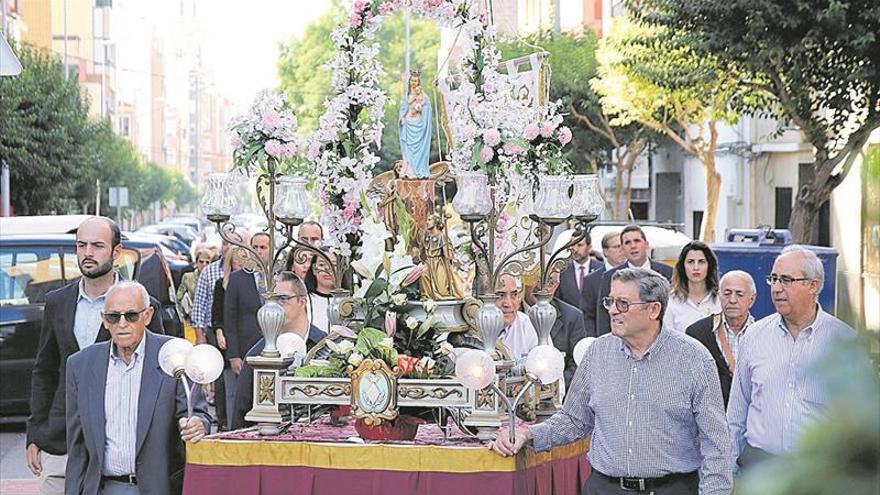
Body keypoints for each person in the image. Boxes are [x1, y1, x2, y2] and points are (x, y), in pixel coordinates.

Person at [490, 268, 733, 495]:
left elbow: (716, 443)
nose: (612, 310)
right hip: (604, 487)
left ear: (654, 310)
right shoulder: (598, 352)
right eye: (610, 301)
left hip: (671, 488)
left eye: (623, 303)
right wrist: (528, 435)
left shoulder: (694, 359)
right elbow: (575, 420)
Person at [26, 217, 164, 494]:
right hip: (62, 441)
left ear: (116, 252)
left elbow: (159, 373)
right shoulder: (58, 302)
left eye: (97, 246)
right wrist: (35, 432)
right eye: (81, 245)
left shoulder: (141, 307)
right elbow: (45, 369)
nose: (87, 253)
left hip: (116, 447)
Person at [65, 282, 210, 495]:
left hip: (161, 487)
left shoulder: (175, 356)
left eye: (131, 315)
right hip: (103, 487)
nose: (122, 323)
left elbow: (196, 413)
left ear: (148, 315)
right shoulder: (80, 365)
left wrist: (197, 424)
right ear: (104, 320)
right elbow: (77, 447)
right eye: (114, 317)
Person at [727, 246, 856, 472]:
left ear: (813, 286)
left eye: (786, 280)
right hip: (760, 469)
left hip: (818, 472)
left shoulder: (843, 342)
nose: (777, 288)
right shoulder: (755, 336)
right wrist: (729, 472)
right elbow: (737, 413)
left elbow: (856, 423)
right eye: (773, 279)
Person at [232, 272, 328, 429]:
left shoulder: (325, 347)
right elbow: (241, 414)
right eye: (270, 300)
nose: (275, 307)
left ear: (302, 301)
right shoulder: (257, 355)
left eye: (283, 299)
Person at [686, 271, 757, 407]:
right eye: (727, 293)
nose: (732, 300)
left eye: (739, 294)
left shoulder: (763, 334)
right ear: (719, 296)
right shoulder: (697, 333)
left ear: (752, 300)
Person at [595, 225, 673, 336]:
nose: (633, 246)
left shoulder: (667, 272)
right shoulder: (610, 276)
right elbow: (603, 315)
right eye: (627, 243)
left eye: (637, 241)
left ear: (646, 244)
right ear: (622, 249)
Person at [522, 271, 587, 391]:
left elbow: (577, 365)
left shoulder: (572, 317)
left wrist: (553, 388)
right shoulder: (512, 316)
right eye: (536, 279)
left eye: (550, 282)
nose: (542, 287)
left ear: (556, 285)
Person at [225, 232, 272, 377]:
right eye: (254, 247)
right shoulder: (237, 279)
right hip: (246, 349)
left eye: (263, 247)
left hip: (277, 347)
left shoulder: (282, 277)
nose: (258, 251)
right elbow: (229, 318)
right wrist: (233, 354)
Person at [209, 247, 246, 431]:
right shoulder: (221, 285)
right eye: (237, 259)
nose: (240, 263)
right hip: (227, 340)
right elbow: (217, 314)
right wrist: (219, 332)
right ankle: (230, 424)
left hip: (244, 338)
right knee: (229, 387)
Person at [191, 233, 246, 345]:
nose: (228, 247)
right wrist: (199, 335)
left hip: (241, 332)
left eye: (233, 244)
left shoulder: (249, 274)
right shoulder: (209, 271)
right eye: (225, 243)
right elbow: (199, 305)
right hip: (214, 331)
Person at [663, 241, 721, 332]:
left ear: (709, 266)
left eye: (701, 262)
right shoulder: (671, 302)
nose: (696, 267)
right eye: (690, 262)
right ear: (683, 266)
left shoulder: (721, 299)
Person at [582, 231, 625, 336]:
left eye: (623, 246)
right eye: (617, 247)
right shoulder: (591, 280)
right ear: (605, 252)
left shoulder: (634, 276)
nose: (621, 250)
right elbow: (587, 315)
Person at [557, 232, 603, 316]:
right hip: (570, 325)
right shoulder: (562, 271)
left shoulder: (601, 269)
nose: (575, 249)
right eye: (572, 245)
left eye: (579, 245)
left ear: (589, 247)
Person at [495, 273, 539, 360]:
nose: (508, 304)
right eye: (500, 296)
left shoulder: (527, 324)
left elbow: (547, 367)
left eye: (514, 295)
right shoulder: (471, 328)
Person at [176, 247, 216, 342]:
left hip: (210, 320)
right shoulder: (188, 277)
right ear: (196, 263)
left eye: (207, 262)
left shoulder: (214, 278)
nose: (204, 265)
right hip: (191, 318)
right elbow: (179, 296)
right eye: (201, 262)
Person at [398, 70, 432, 178]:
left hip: (419, 126)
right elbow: (403, 109)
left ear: (419, 82)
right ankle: (408, 171)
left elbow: (427, 108)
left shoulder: (424, 96)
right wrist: (402, 117)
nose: (414, 83)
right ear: (409, 82)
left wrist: (421, 108)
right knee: (408, 150)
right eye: (412, 81)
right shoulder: (406, 96)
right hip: (408, 125)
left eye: (416, 81)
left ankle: (419, 169)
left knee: (418, 150)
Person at [308, 249, 337, 334]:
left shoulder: (348, 301)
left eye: (333, 265)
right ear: (313, 269)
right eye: (321, 264)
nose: (327, 269)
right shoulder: (304, 300)